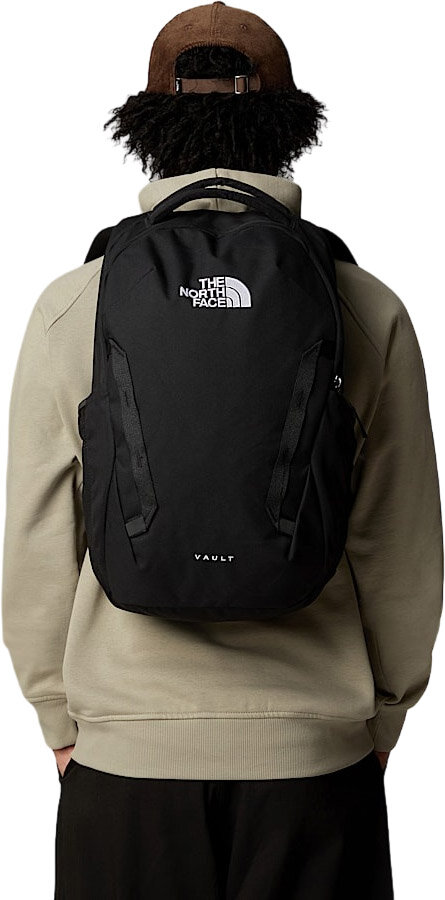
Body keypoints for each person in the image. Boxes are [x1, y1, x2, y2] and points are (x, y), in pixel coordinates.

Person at [2, 3, 443, 899]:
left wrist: (60, 715)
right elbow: (398, 547)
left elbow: (38, 537)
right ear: (287, 128)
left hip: (124, 765)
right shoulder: (364, 307)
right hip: (313, 765)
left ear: (147, 130)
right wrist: (378, 720)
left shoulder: (74, 304)